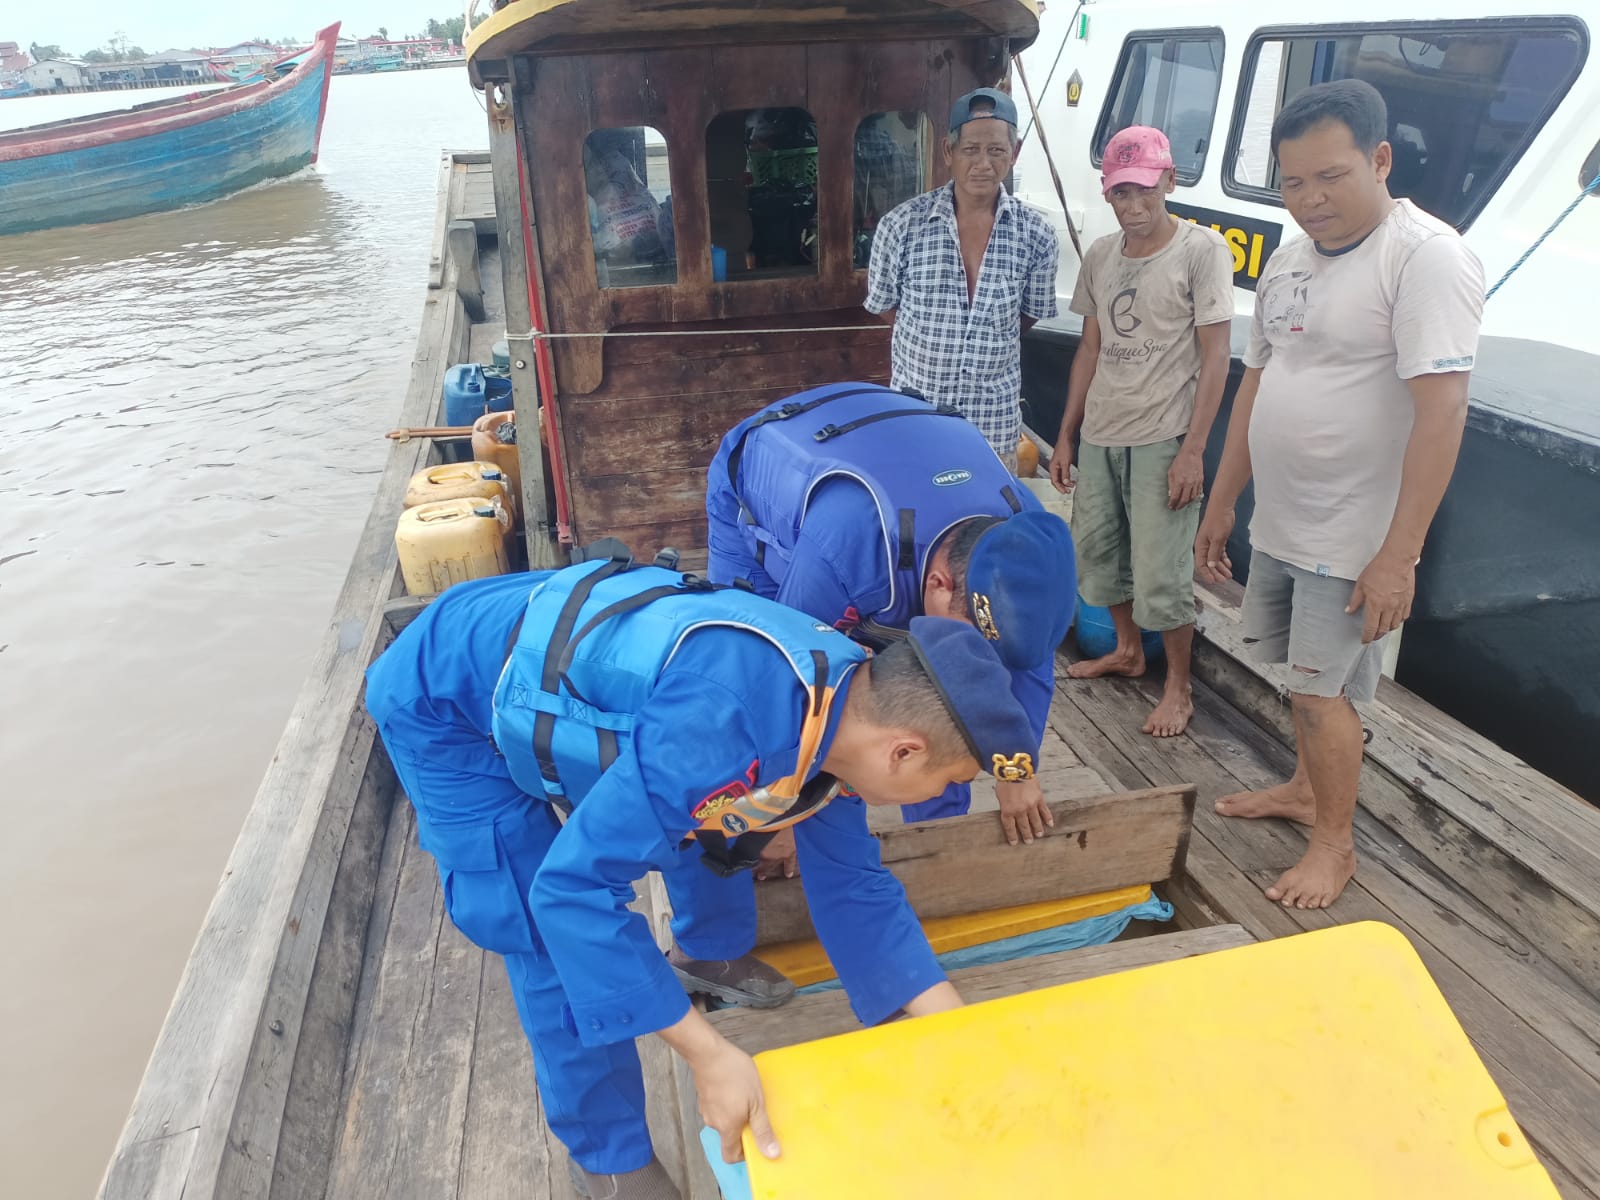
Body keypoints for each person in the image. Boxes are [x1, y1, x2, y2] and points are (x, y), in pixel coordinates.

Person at [364, 554, 1039, 1200]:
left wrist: (957, 1038)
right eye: (944, 782)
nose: (933, 796)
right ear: (904, 752)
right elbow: (568, 895)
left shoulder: (852, 705)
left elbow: (857, 891)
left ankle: (703, 953)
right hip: (447, 697)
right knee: (542, 928)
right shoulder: (721, 725)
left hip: (600, 682)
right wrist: (708, 1055)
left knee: (721, 821)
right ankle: (609, 1159)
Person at [667, 381, 1077, 1009]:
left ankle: (928, 856)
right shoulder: (847, 545)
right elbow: (792, 694)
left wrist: (1016, 766)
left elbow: (1024, 664)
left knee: (944, 708)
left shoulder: (1025, 546)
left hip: (895, 448)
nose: (979, 663)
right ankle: (708, 945)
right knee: (752, 720)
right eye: (973, 639)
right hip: (767, 471)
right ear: (937, 584)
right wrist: (774, 816)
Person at [1194, 79, 1484, 909]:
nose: (1311, 200)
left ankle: (1335, 844)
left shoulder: (1424, 255)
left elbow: (1443, 411)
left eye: (1331, 176)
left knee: (1324, 692)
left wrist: (1399, 557)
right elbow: (1259, 382)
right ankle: (1301, 789)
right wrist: (1223, 504)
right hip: (1284, 523)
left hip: (1352, 536)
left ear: (1380, 159)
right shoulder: (1288, 260)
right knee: (1304, 678)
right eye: (1293, 184)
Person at [1049, 125, 1234, 738]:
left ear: (1170, 182)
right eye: (1119, 193)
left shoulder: (1201, 252)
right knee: (1098, 560)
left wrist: (1194, 451)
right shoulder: (1101, 255)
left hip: (1163, 438)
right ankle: (1128, 650)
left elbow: (1216, 359)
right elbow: (1089, 349)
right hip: (1102, 434)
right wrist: (1068, 434)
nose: (1132, 206)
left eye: (1143, 190)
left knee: (1162, 572)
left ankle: (1178, 686)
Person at [865, 87, 1060, 467]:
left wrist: (985, 335)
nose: (983, 164)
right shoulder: (902, 225)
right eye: (970, 150)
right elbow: (886, 305)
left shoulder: (1037, 234)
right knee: (915, 523)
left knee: (990, 525)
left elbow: (1029, 315)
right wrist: (935, 332)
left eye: (996, 150)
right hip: (916, 421)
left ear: (1014, 153)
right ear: (948, 152)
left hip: (992, 426)